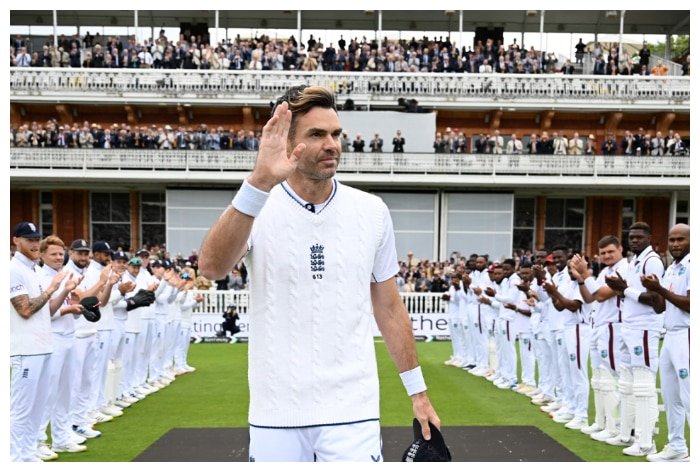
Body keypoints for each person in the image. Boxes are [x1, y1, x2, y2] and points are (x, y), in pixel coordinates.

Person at [199, 85, 440, 462]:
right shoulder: (255, 205)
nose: (332, 144)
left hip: (352, 408)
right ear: (287, 142)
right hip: (275, 408)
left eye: (336, 134)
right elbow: (211, 268)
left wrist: (419, 393)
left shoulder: (372, 210)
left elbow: (390, 309)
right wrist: (259, 182)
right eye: (316, 134)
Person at [604, 222, 665, 456]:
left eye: (639, 237)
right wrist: (620, 289)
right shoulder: (634, 261)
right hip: (629, 326)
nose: (635, 241)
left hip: (644, 327)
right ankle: (627, 433)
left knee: (643, 386)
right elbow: (628, 292)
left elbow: (655, 298)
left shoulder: (652, 261)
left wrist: (624, 289)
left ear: (650, 238)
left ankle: (646, 441)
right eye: (631, 237)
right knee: (627, 384)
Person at [10, 222, 67, 461]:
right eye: (29, 239)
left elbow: (47, 310)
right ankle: (13, 458)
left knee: (37, 408)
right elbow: (24, 309)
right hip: (25, 349)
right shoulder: (13, 269)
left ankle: (28, 453)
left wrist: (61, 291)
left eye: (36, 239)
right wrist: (51, 288)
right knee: (21, 409)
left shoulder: (33, 269)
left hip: (43, 347)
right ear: (16, 241)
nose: (34, 244)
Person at [642, 224, 690, 462]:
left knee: (691, 395)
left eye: (681, 239)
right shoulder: (672, 268)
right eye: (672, 240)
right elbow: (661, 306)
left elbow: (692, 304)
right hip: (670, 335)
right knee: (671, 396)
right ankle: (677, 445)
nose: (675, 244)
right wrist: (651, 291)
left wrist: (659, 288)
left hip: (688, 334)